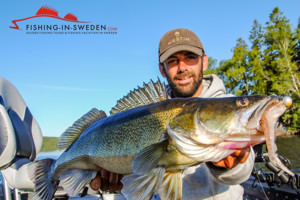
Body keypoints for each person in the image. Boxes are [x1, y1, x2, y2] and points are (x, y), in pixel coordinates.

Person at [89, 28, 255, 200]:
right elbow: (140, 175)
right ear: (162, 70)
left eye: (190, 57)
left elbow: (241, 173)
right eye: (173, 61)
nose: (182, 67)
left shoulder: (228, 106)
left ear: (204, 62)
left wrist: (227, 165)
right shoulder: (148, 111)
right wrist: (118, 179)